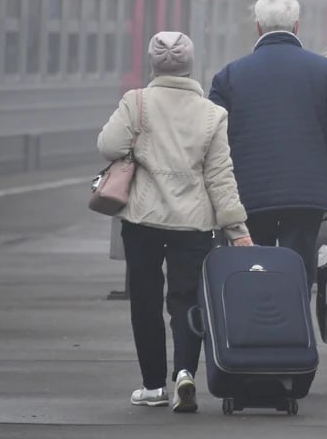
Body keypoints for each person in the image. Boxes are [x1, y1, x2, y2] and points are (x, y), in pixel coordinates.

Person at [97, 31, 252, 413]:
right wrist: (237, 229)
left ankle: (153, 387)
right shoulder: (212, 114)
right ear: (190, 65)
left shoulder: (137, 103)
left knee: (146, 302)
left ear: (153, 64)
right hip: (194, 225)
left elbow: (108, 146)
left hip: (142, 221)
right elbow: (220, 176)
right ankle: (184, 373)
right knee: (186, 302)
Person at [208, 0, 327, 289]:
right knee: (298, 268)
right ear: (297, 26)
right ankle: (295, 328)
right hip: (306, 194)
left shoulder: (229, 76)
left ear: (258, 27)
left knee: (251, 268)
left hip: (247, 192)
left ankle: (257, 327)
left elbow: (213, 140)